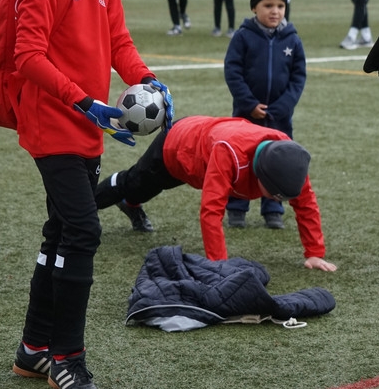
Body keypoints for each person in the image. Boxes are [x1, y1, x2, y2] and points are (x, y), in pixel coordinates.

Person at [7, 0, 172, 389]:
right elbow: (27, 56)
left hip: (87, 127)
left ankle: (33, 347)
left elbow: (119, 42)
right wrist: (84, 101)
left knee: (60, 232)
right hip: (52, 125)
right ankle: (67, 359)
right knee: (83, 231)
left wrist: (147, 79)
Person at [97, 116, 336, 272]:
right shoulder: (229, 153)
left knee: (139, 192)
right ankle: (83, 208)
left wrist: (314, 254)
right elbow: (211, 212)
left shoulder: (288, 157)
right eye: (276, 195)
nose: (278, 200)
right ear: (261, 175)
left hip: (205, 150)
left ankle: (130, 204)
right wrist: (220, 265)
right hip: (178, 147)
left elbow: (306, 204)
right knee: (134, 185)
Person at [223, 0, 306, 230]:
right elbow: (232, 72)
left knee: (277, 162)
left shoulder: (292, 39)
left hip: (279, 118)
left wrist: (283, 107)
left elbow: (298, 77)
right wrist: (248, 104)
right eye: (268, 5)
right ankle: (237, 207)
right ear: (254, 7)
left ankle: (273, 210)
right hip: (246, 117)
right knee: (242, 160)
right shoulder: (243, 37)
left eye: (280, 5)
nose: (275, 11)